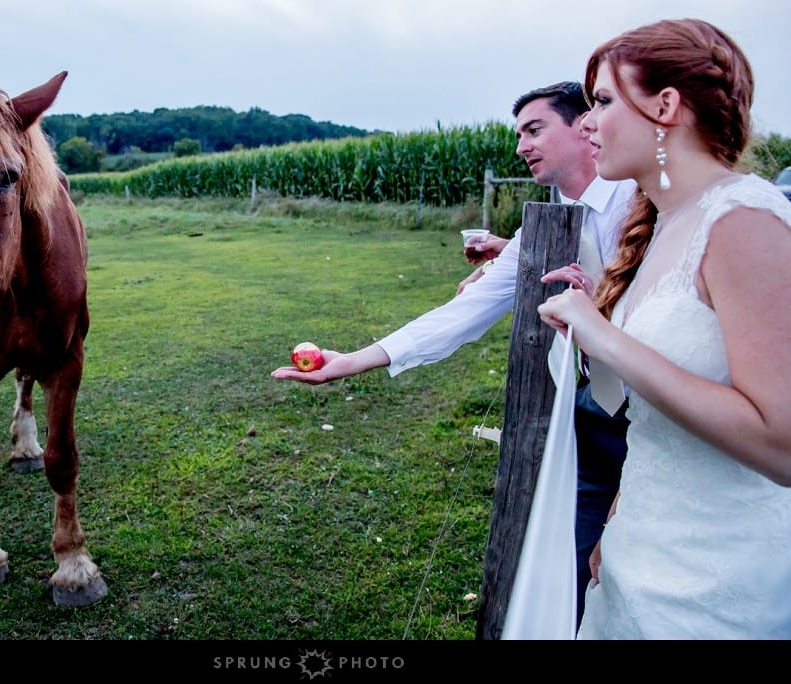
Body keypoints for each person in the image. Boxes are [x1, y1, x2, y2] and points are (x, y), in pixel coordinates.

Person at [271, 81, 637, 626]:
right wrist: (357, 359)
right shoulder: (549, 216)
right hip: (593, 412)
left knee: (625, 569)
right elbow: (465, 311)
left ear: (585, 127)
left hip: (655, 420)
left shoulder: (640, 203)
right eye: (519, 134)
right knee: (577, 563)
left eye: (534, 130)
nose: (521, 147)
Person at [537, 18, 791, 638]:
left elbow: (781, 445)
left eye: (600, 101)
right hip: (639, 552)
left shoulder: (745, 221)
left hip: (715, 576)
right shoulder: (664, 221)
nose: (587, 122)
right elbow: (654, 422)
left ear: (666, 106)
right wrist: (616, 524)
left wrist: (600, 335)